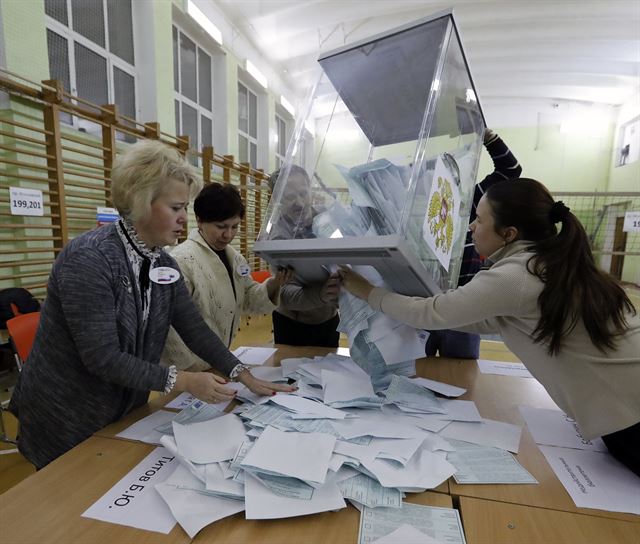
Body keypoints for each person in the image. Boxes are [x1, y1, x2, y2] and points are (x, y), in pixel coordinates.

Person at [8, 140, 293, 469]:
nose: (184, 219)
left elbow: (195, 329)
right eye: (175, 208)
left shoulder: (164, 265)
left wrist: (241, 373)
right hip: (66, 414)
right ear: (141, 203)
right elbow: (102, 357)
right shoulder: (89, 259)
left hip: (121, 408)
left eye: (185, 208)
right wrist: (184, 380)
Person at [340, 178, 640, 476]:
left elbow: (431, 314)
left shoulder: (517, 275)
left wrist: (367, 292)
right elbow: (488, 319)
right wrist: (429, 303)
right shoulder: (549, 263)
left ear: (508, 234)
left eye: (479, 220)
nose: (471, 227)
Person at [162, 182, 292, 371]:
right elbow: (168, 328)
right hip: (190, 369)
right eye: (221, 226)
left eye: (234, 226)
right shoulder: (182, 261)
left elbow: (249, 300)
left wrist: (275, 283)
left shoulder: (235, 258)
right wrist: (191, 371)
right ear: (199, 220)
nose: (228, 234)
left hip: (218, 362)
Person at [425, 128, 521, 359]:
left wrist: (489, 138)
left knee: (462, 378)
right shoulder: (413, 212)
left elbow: (510, 170)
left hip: (464, 310)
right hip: (424, 307)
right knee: (415, 374)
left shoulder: (468, 201)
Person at [268, 166, 341, 347]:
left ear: (310, 190)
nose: (299, 203)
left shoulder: (329, 220)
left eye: (303, 193)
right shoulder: (276, 238)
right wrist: (322, 294)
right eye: (289, 197)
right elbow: (284, 293)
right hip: (292, 325)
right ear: (276, 199)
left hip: (330, 319)